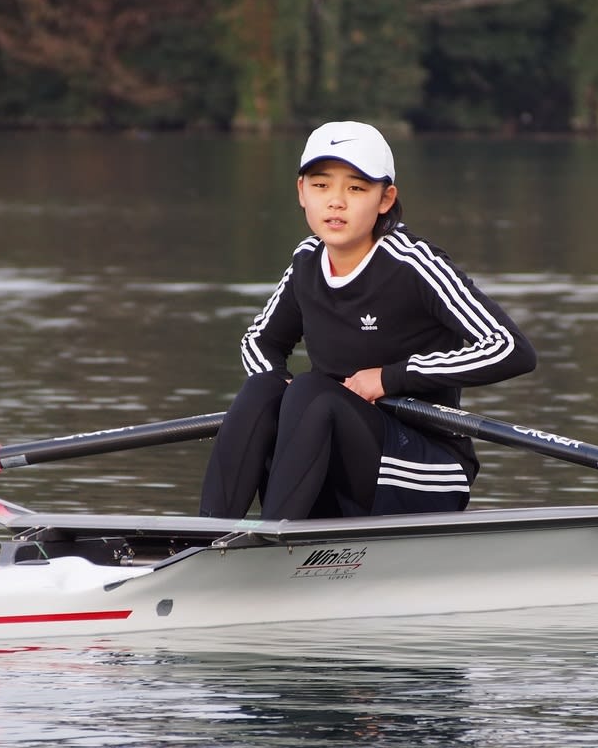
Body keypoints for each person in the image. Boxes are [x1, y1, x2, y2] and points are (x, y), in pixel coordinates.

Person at [199, 120, 536, 520]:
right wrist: (279, 385)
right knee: (264, 389)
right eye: (321, 186)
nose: (336, 202)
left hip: (425, 469)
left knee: (312, 393)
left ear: (385, 199)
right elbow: (259, 341)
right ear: (301, 193)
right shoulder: (308, 260)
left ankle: (276, 540)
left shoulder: (412, 264)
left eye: (356, 188)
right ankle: (210, 538)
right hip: (330, 459)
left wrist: (390, 378)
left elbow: (511, 349)